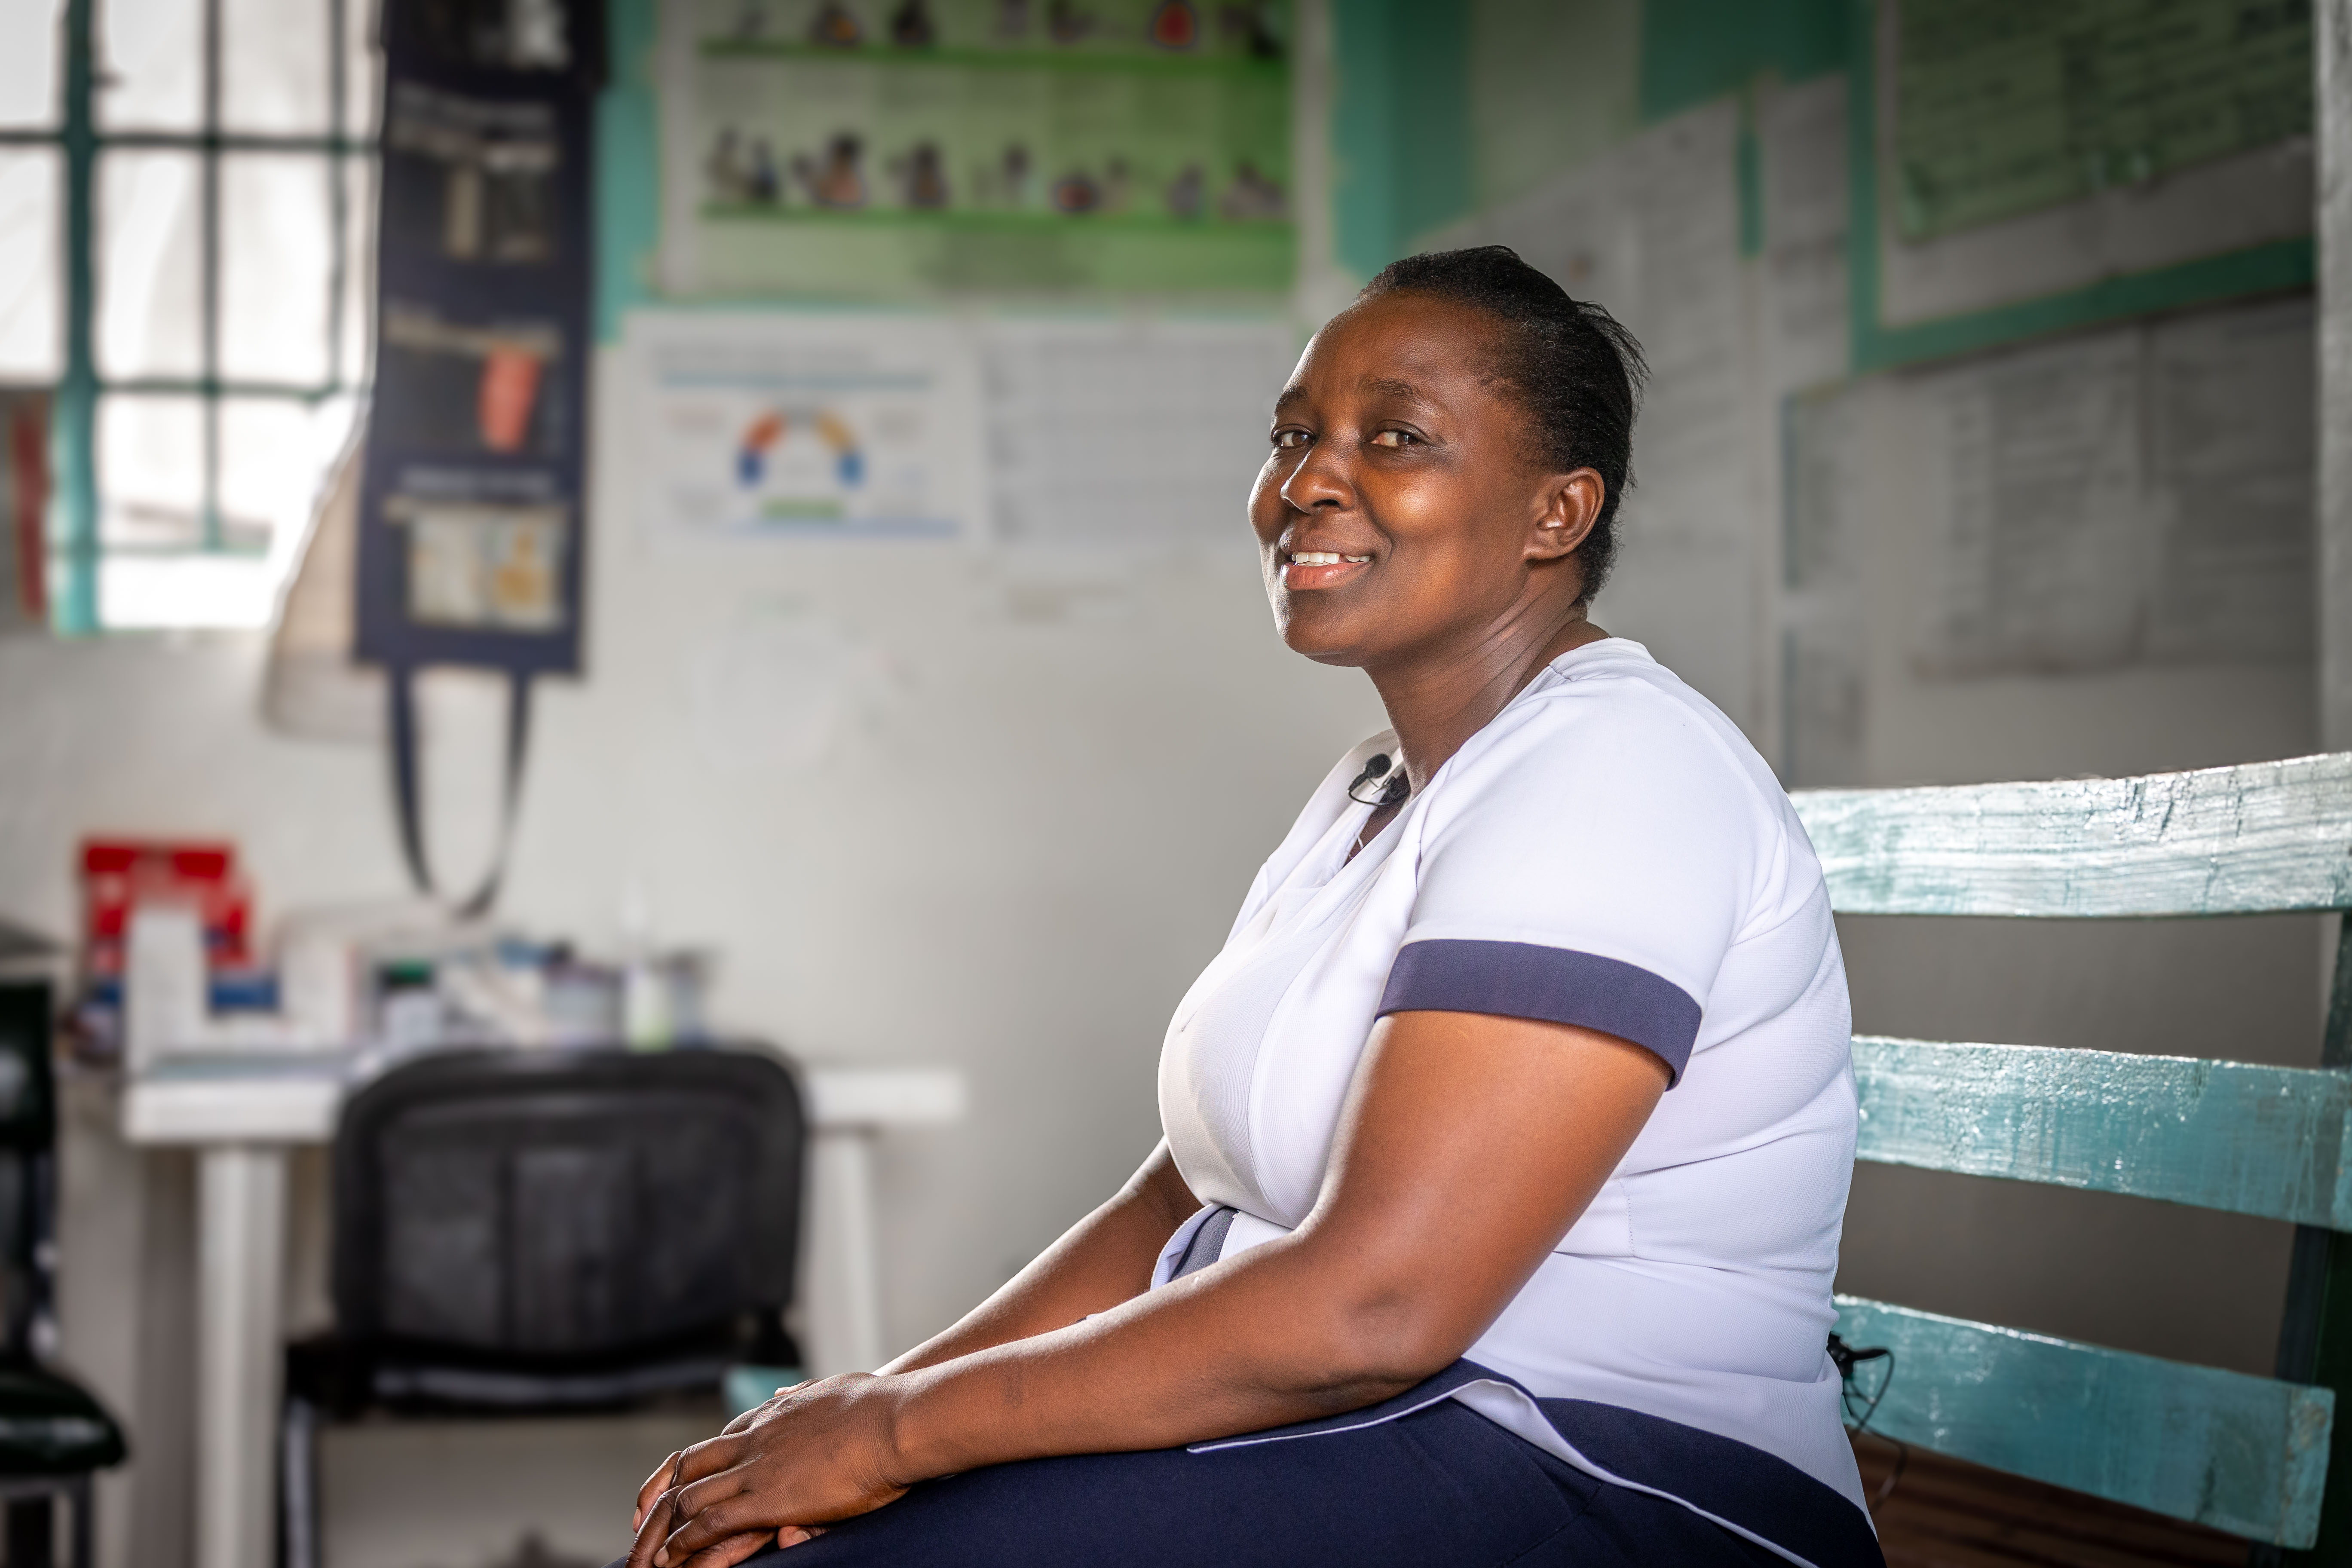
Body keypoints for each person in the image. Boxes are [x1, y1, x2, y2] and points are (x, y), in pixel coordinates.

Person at [622, 247, 1880, 1568]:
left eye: (1395, 437)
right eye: (1293, 437)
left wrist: (895, 1437)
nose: (1308, 483)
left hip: (1613, 1481)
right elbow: (1177, 1205)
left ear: (1556, 514)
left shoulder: (1615, 769)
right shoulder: (1375, 793)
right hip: (1395, 1430)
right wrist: (844, 1429)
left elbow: (1381, 1305)